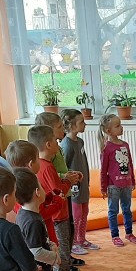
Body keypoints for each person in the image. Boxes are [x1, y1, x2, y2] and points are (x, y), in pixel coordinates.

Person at [29, 124, 84, 271]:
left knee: (65, 246)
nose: (58, 144)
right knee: (61, 248)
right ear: (48, 144)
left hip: (60, 213)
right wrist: (68, 181)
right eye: (55, 140)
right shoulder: (46, 167)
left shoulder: (45, 165)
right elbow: (57, 191)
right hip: (57, 215)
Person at [99, 113, 136, 246]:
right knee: (113, 211)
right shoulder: (107, 148)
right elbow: (103, 169)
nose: (121, 128)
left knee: (127, 209)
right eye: (117, 126)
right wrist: (103, 187)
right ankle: (115, 235)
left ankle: (129, 232)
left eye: (120, 125)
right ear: (108, 130)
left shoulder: (125, 145)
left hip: (126, 183)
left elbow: (130, 164)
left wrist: (132, 180)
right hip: (113, 186)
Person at [60, 109, 96, 254]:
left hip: (83, 184)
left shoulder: (80, 142)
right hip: (74, 187)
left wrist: (86, 179)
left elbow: (84, 162)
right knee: (76, 214)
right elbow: (64, 167)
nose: (84, 124)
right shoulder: (66, 145)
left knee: (84, 212)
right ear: (72, 125)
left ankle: (81, 239)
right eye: (81, 122)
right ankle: (74, 242)